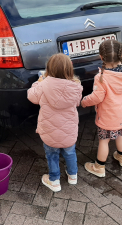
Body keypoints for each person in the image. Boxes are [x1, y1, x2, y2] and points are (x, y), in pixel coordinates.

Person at [27, 54, 83, 192]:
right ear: (69, 69)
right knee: (70, 153)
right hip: (69, 132)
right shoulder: (76, 87)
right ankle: (73, 175)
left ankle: (54, 180)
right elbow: (77, 102)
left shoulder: (43, 85)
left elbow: (31, 96)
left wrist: (38, 82)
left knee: (52, 155)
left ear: (49, 69)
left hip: (49, 132)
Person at [81, 40, 122, 178]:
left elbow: (97, 97)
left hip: (107, 116)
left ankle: (99, 166)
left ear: (101, 57)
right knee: (120, 134)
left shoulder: (102, 77)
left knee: (104, 141)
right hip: (121, 115)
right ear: (121, 55)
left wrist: (84, 102)